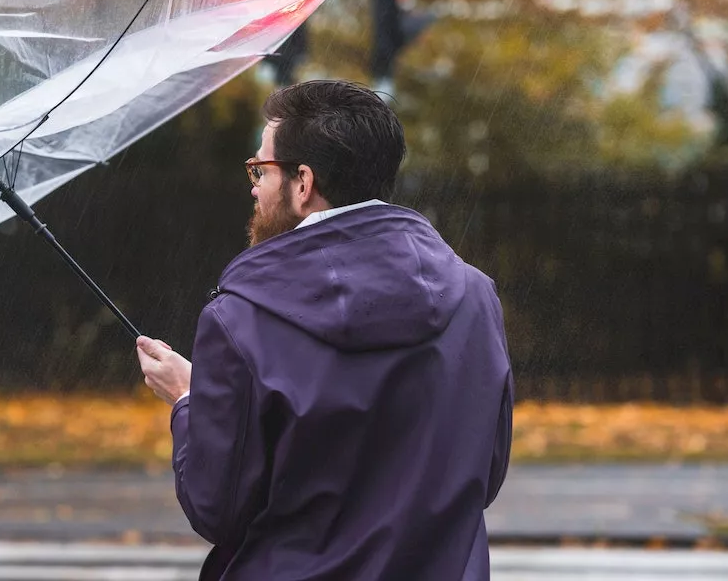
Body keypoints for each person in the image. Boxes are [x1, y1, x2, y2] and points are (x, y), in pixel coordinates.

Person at [136, 80, 514, 580]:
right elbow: (482, 477)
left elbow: (216, 508)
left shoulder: (242, 321)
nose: (253, 185)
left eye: (261, 170)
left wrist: (188, 400)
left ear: (303, 182)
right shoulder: (475, 296)